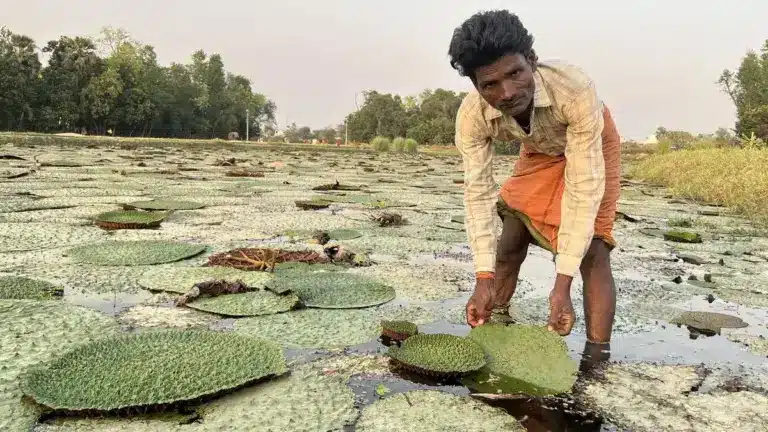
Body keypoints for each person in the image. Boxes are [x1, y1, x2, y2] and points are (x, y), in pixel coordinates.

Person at [448, 10, 621, 345]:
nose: (508, 93)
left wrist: (562, 281)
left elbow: (583, 189)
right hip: (538, 148)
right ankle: (493, 320)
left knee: (594, 248)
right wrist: (482, 278)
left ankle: (598, 357)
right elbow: (478, 195)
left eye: (515, 73)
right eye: (490, 85)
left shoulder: (573, 89)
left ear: (531, 60)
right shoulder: (473, 116)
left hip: (590, 140)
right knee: (511, 235)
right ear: (476, 85)